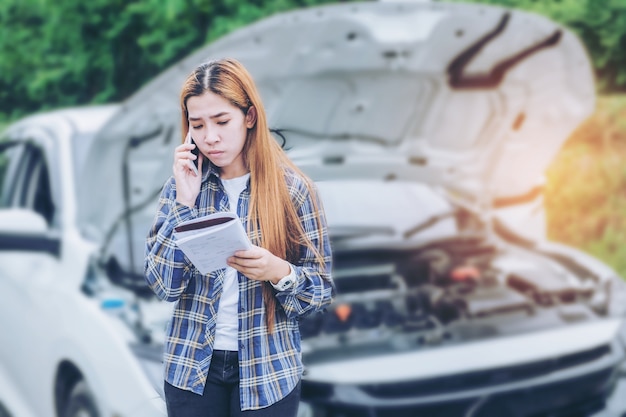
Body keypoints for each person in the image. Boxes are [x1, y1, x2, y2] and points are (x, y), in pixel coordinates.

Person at [144, 57, 334, 417]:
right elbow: (163, 286)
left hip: (268, 372)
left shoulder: (294, 191)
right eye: (197, 125)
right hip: (192, 371)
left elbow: (319, 295)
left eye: (221, 121)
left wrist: (279, 271)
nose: (210, 137)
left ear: (249, 117)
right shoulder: (181, 187)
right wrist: (185, 203)